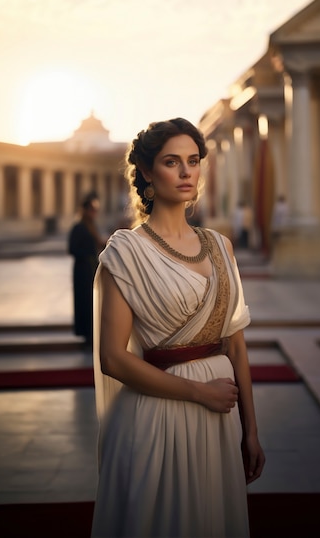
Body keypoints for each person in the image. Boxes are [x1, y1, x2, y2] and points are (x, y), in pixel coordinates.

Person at [91, 118, 265, 538]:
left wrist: (251, 430)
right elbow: (113, 358)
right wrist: (199, 393)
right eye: (173, 162)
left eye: (193, 161)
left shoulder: (220, 245)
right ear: (148, 172)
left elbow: (236, 347)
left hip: (220, 417)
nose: (187, 172)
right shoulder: (126, 251)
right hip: (158, 413)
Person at [68, 192, 106, 345]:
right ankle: (87, 335)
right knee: (84, 302)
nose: (94, 213)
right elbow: (71, 249)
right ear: (85, 210)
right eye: (92, 210)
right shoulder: (78, 227)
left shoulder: (91, 226)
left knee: (93, 301)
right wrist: (87, 254)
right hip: (82, 271)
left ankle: (92, 334)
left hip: (91, 268)